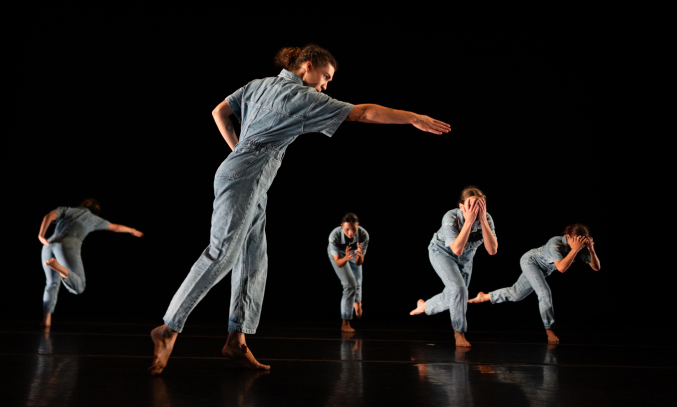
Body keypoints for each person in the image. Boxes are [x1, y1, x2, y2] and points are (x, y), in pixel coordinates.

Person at [148, 43, 451, 374]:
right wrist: (413, 118)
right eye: (325, 77)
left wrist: (239, 151)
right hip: (246, 179)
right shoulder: (303, 97)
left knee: (253, 259)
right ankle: (168, 329)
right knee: (222, 254)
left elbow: (219, 111)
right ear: (307, 66)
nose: (325, 85)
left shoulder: (257, 84)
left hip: (246, 178)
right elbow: (362, 112)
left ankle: (237, 341)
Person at [468, 224, 601, 344]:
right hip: (531, 261)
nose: (579, 244)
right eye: (576, 240)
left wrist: (591, 250)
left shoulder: (580, 246)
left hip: (543, 270)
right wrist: (575, 250)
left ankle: (485, 296)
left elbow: (596, 267)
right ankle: (549, 330)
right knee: (544, 293)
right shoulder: (556, 242)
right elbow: (561, 268)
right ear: (568, 237)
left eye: (582, 241)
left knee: (516, 294)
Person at [409, 186, 498, 348]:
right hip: (442, 252)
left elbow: (492, 250)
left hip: (466, 256)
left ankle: (426, 306)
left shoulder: (487, 218)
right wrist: (469, 221)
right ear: (462, 206)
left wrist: (483, 221)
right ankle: (459, 333)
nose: (476, 209)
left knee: (456, 293)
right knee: (459, 291)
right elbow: (456, 248)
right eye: (472, 205)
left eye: (480, 205)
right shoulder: (450, 217)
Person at [38, 198, 143, 327]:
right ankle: (60, 268)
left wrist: (41, 235)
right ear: (95, 212)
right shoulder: (93, 219)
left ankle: (46, 320)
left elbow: (48, 215)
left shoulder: (67, 209)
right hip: (68, 246)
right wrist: (132, 230)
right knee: (79, 286)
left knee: (51, 284)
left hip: (48, 245)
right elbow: (115, 227)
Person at [328, 213, 369, 333]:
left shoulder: (363, 235)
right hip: (339, 256)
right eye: (347, 230)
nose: (351, 233)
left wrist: (360, 256)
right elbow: (339, 263)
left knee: (358, 281)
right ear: (341, 226)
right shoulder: (334, 236)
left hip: (354, 253)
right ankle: (345, 322)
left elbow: (359, 263)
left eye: (354, 229)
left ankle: (357, 302)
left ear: (358, 225)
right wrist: (346, 258)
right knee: (350, 285)